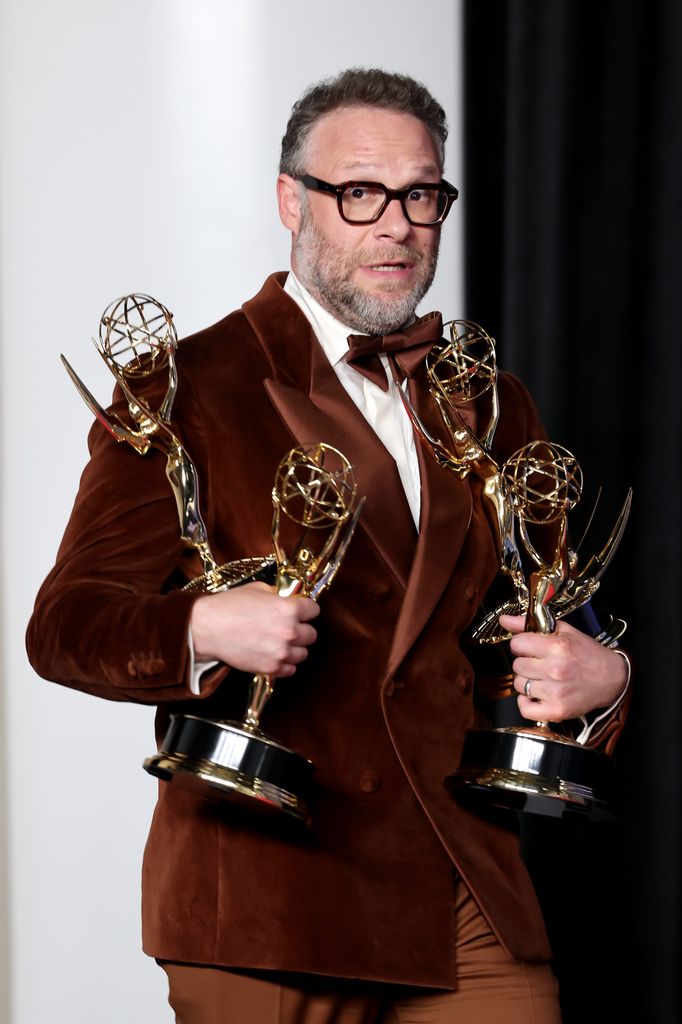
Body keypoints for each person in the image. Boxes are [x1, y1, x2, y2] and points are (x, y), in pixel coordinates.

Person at [26, 68, 630, 1024]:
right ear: (290, 201)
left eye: (421, 194)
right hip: (271, 898)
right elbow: (64, 626)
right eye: (359, 192)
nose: (395, 225)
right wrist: (203, 625)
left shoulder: (488, 399)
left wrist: (602, 682)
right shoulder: (187, 384)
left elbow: (536, 611)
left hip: (460, 888)